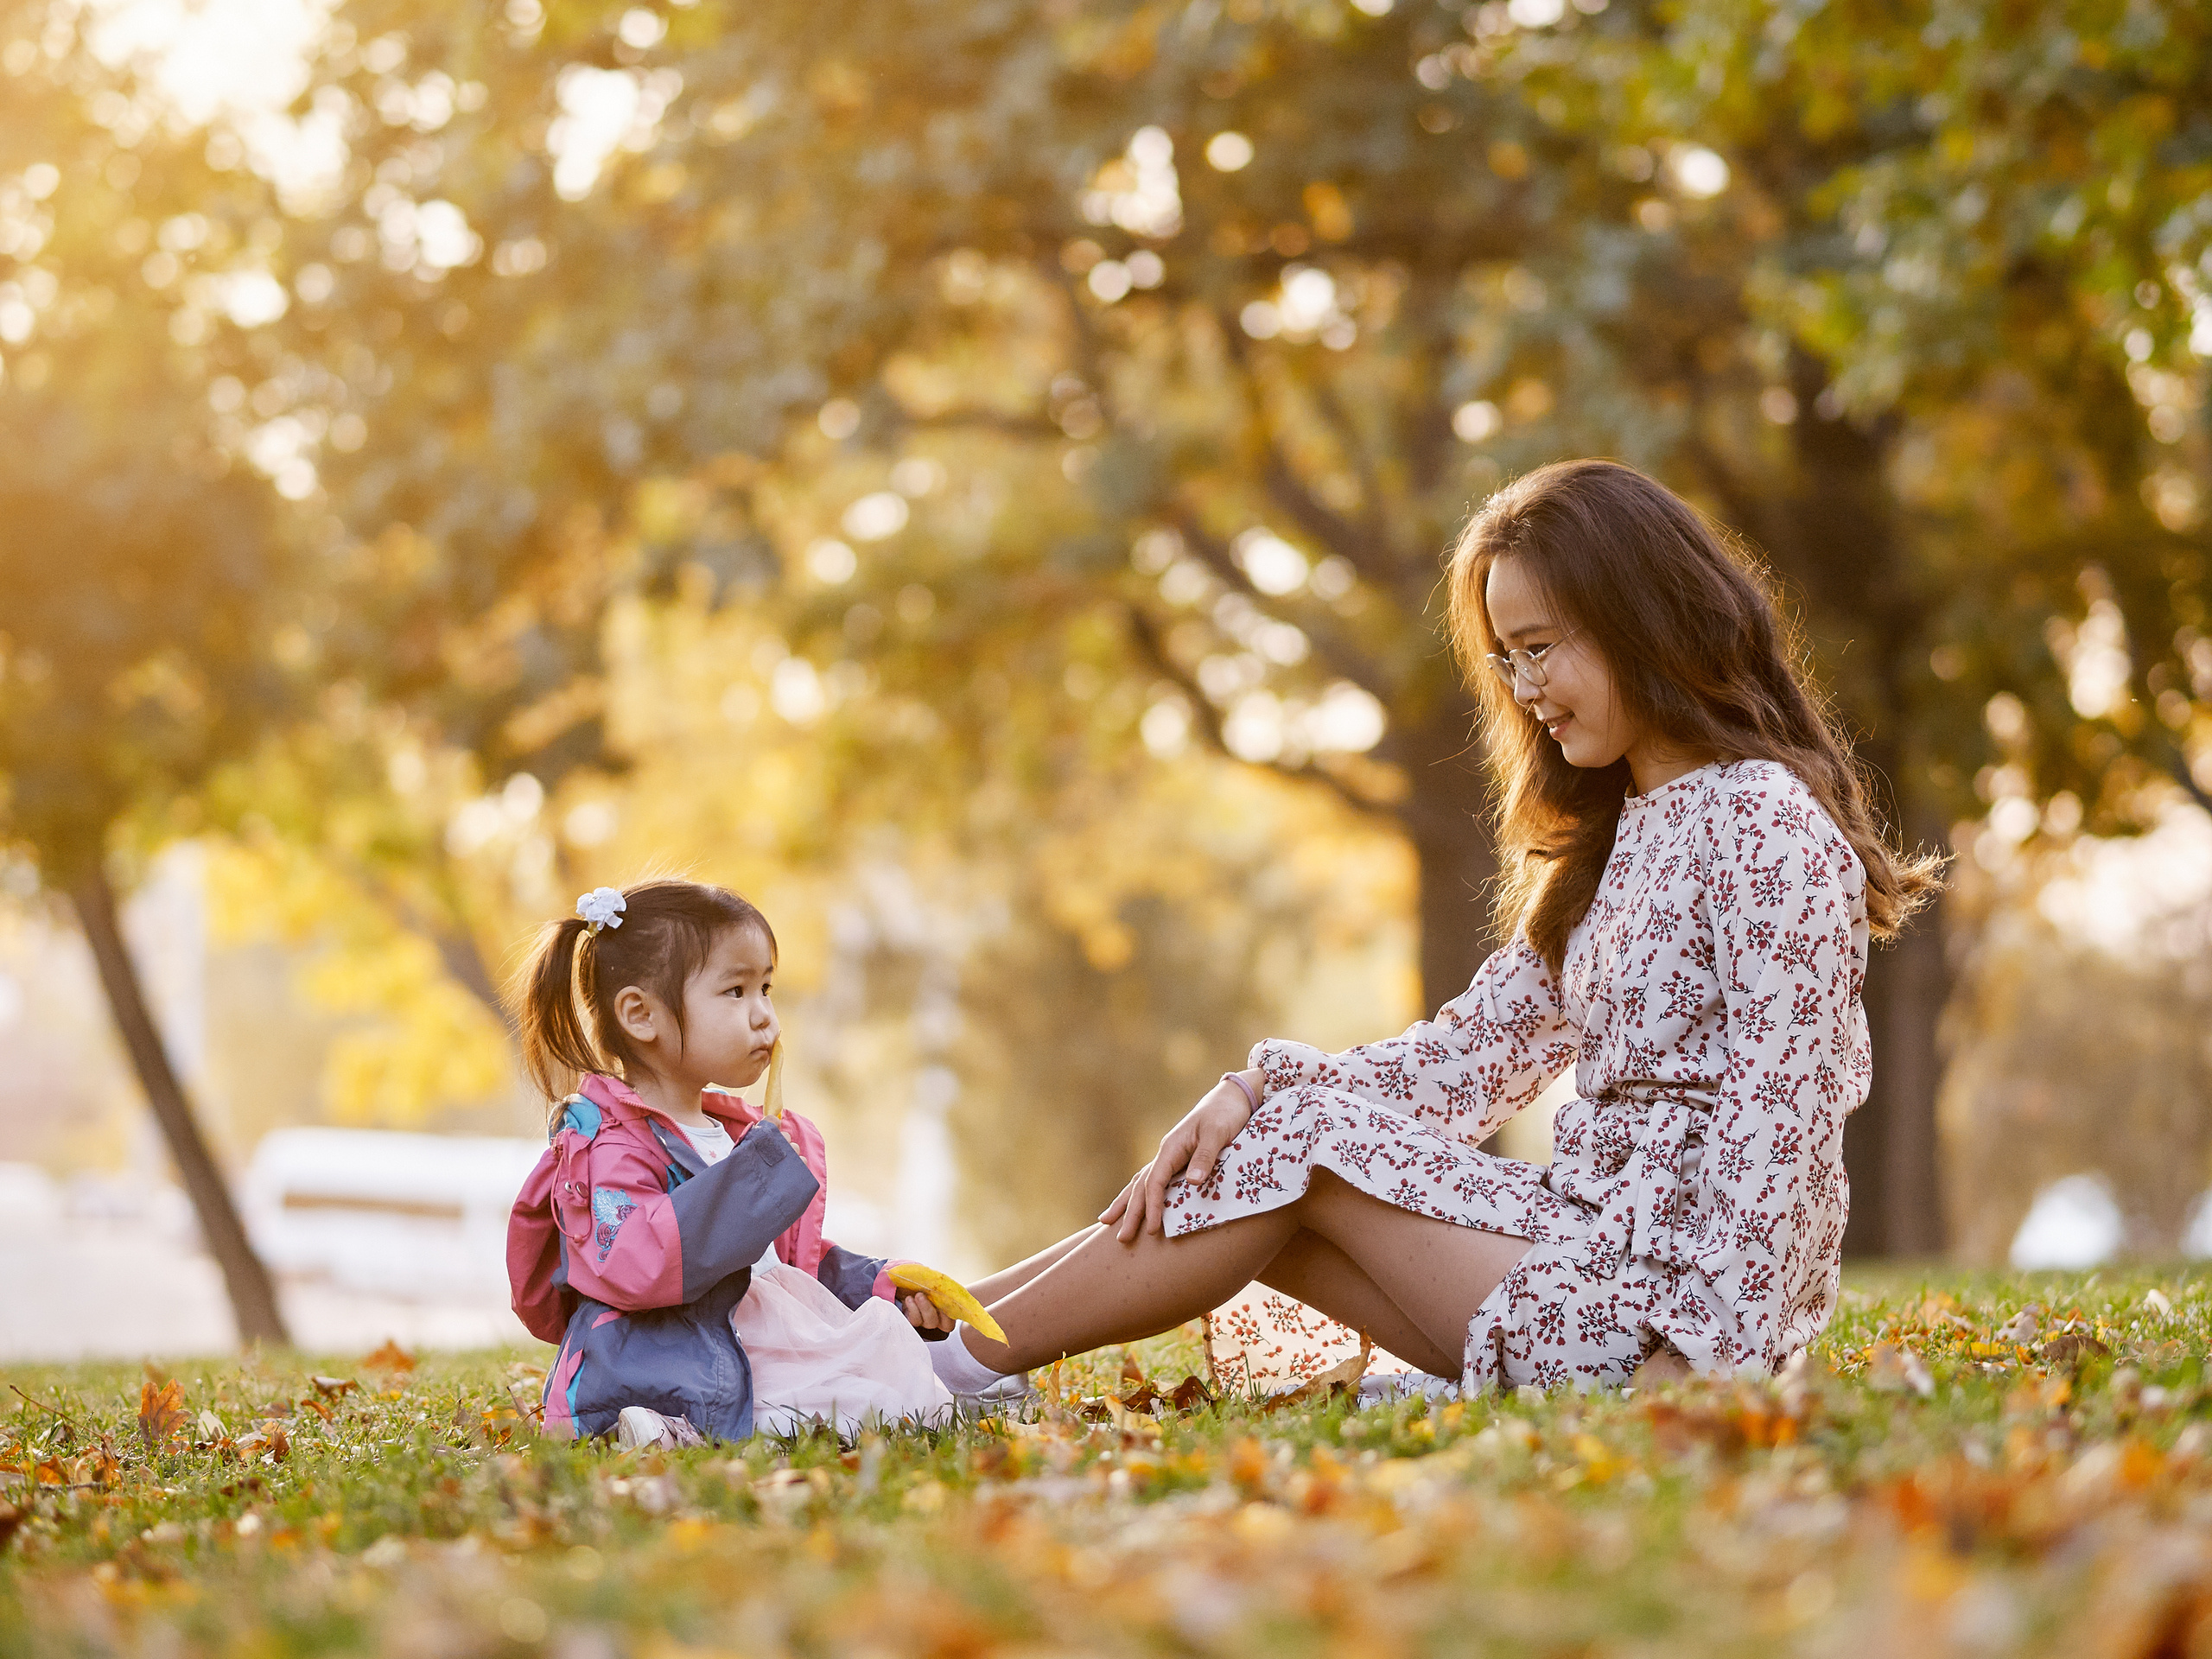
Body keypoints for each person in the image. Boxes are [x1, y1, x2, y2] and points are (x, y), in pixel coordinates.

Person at [927, 458, 1943, 1400]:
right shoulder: (1614, 842)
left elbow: (1785, 1119)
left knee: (1298, 1136)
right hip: (1576, 1247)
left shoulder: (1762, 822)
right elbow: (1459, 1064)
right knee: (1261, 1161)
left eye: (1541, 649)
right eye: (1506, 660)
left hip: (1664, 1322)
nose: (1523, 689)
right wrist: (1250, 1091)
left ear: (1642, 619)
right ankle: (934, 1335)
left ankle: (938, 1363)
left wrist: (1712, 1360)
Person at [505, 879, 967, 1445]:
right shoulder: (611, 1146)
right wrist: (752, 1179)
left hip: (758, 1347)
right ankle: (655, 1423)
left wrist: (879, 1287)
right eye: (735, 992)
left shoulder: (730, 1133)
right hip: (672, 1364)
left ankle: (695, 1430)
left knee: (894, 1396)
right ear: (641, 1015)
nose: (764, 1017)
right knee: (854, 1409)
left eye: (766, 988)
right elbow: (636, 1261)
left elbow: (779, 1266)